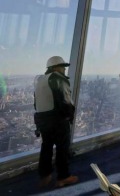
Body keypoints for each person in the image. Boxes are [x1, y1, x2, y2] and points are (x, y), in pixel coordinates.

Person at [33, 56, 78, 188]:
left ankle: (45, 175)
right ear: (54, 67)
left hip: (43, 120)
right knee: (62, 148)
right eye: (62, 66)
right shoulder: (58, 79)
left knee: (46, 147)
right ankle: (63, 177)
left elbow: (36, 103)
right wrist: (70, 116)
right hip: (57, 120)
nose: (64, 69)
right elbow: (65, 101)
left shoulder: (40, 80)